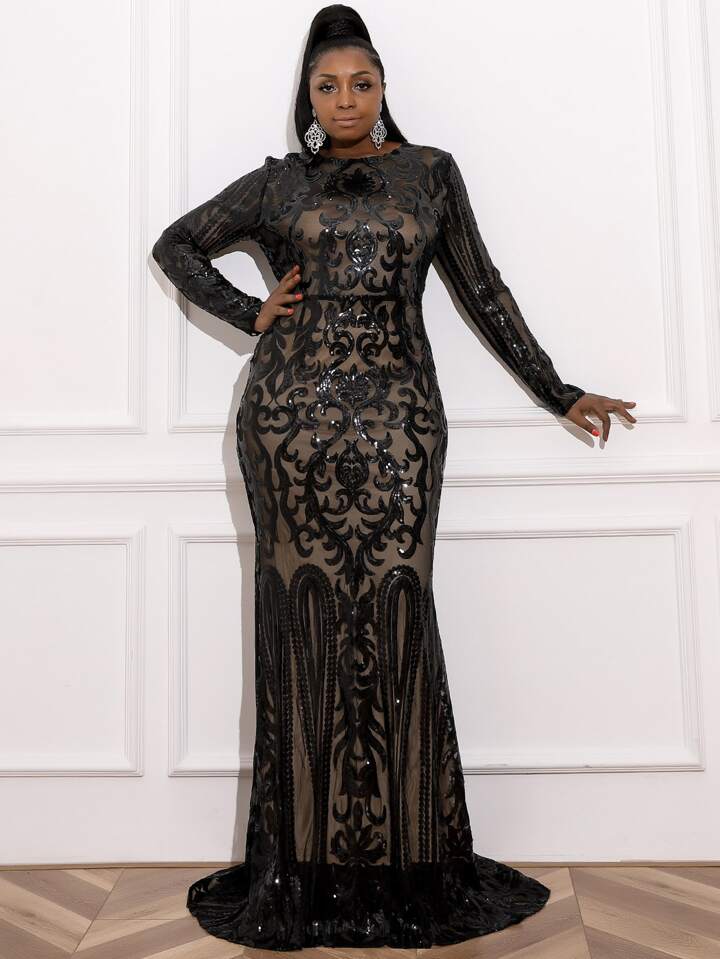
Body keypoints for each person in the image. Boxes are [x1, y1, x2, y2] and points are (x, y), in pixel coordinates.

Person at [152, 3, 636, 950]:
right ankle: (301, 871)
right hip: (290, 428)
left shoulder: (431, 174)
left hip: (402, 427)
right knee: (301, 631)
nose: (344, 100)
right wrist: (250, 310)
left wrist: (559, 390)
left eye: (361, 83)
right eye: (326, 86)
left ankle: (411, 864)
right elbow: (176, 243)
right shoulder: (278, 183)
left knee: (398, 624)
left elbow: (484, 290)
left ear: (383, 89)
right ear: (308, 96)